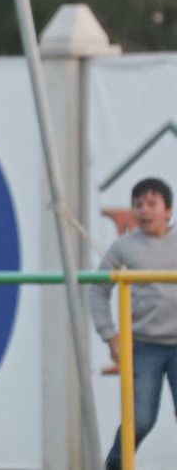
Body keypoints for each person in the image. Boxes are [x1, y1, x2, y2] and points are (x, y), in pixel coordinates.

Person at [90, 177, 177, 470]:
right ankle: (115, 465)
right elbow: (98, 290)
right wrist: (109, 335)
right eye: (138, 205)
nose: (144, 211)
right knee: (139, 419)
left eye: (152, 204)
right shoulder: (123, 247)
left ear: (168, 211)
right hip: (143, 345)